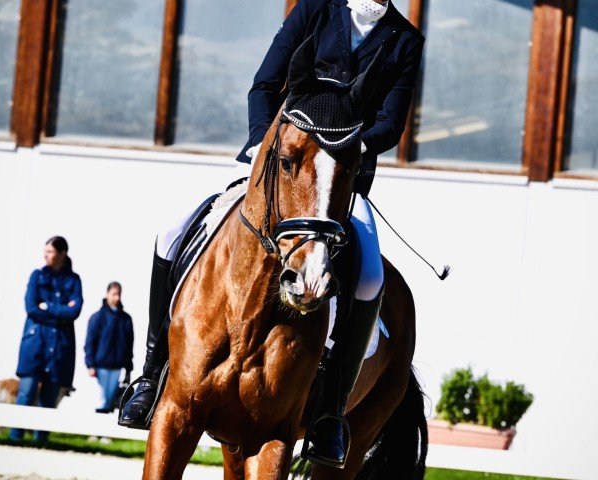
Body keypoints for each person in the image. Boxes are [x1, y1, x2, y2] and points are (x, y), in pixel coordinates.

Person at [120, 0, 423, 468]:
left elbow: (390, 124)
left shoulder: (405, 40)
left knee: (368, 280)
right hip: (278, 164)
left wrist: (341, 150)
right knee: (173, 231)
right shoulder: (316, 10)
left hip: (337, 179)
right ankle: (150, 373)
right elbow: (265, 83)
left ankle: (330, 415)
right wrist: (265, 146)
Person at [10, 236, 83, 443]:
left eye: (50, 252)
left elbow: (75, 311)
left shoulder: (74, 280)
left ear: (62, 253)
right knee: (26, 392)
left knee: (49, 398)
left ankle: (40, 441)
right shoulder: (37, 276)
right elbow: (32, 308)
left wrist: (47, 307)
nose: (45, 255)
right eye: (45, 251)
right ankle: (15, 438)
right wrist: (61, 310)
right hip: (35, 344)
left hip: (59, 347)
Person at [84, 282, 134, 413]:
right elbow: (89, 343)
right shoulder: (97, 317)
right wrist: (90, 365)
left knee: (111, 400)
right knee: (101, 399)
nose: (117, 297)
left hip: (117, 366)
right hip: (100, 367)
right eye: (114, 294)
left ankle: (103, 433)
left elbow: (129, 346)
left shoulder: (126, 319)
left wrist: (128, 368)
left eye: (119, 294)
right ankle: (96, 431)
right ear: (107, 294)